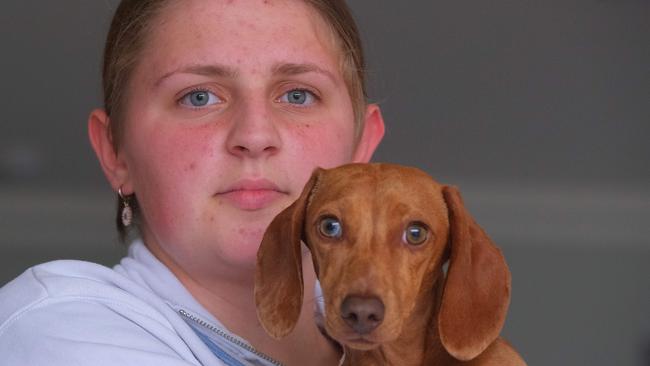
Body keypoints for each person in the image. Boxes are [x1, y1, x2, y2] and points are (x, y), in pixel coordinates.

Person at [0, 0, 384, 365]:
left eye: (298, 95)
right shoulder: (55, 329)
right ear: (114, 151)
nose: (254, 135)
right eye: (198, 97)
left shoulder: (406, 334)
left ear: (360, 146)